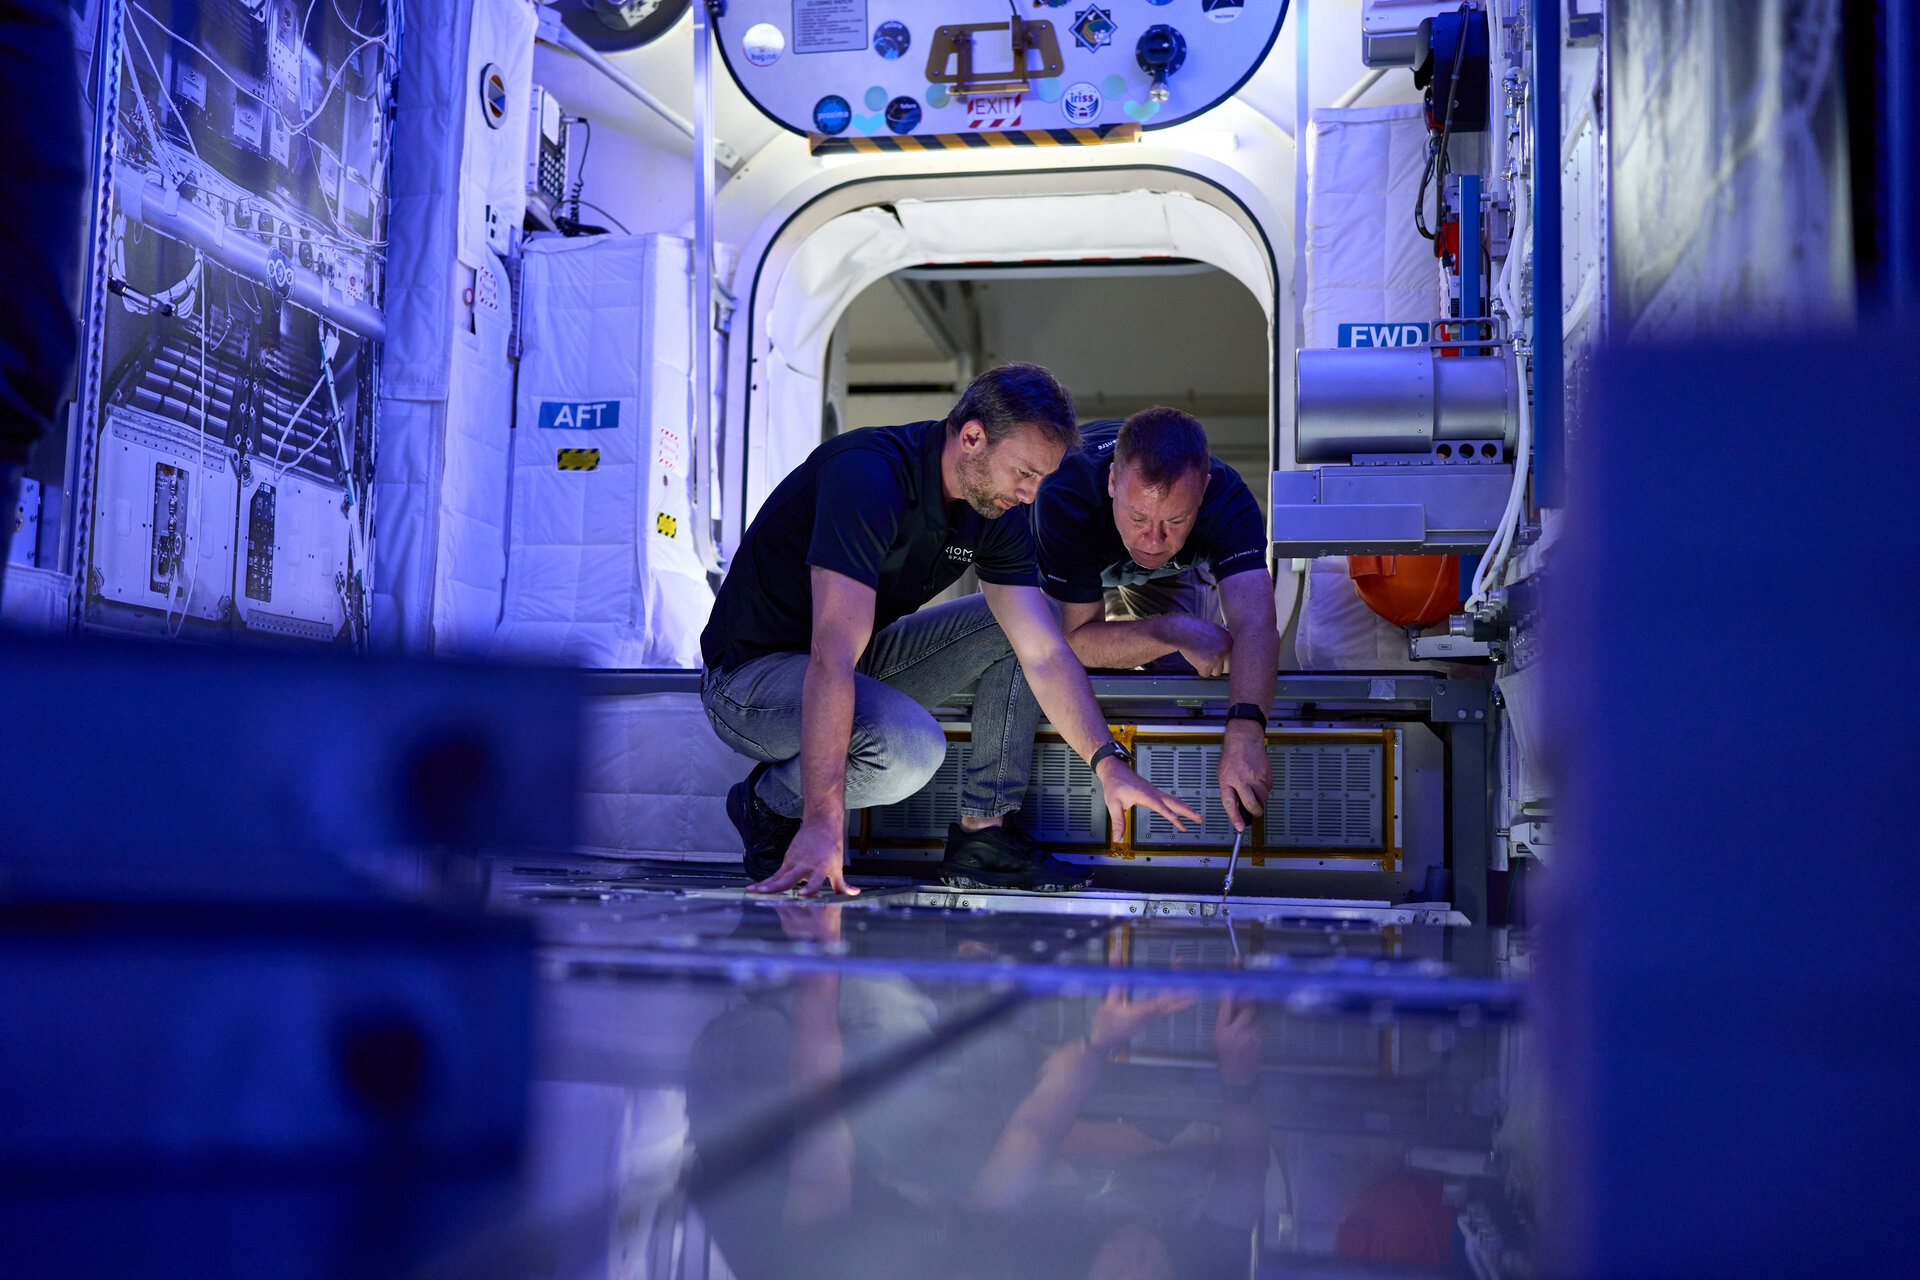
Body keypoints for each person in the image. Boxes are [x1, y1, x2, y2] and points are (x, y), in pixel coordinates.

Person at [699, 364, 1197, 896]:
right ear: (972, 437)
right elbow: (831, 656)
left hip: (851, 661)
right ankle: (769, 803)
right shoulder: (867, 478)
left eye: (1041, 480)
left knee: (1033, 620)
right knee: (909, 750)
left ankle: (983, 835)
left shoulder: (993, 514)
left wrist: (1107, 763)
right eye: (1024, 473)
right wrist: (822, 820)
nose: (1031, 496)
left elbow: (1045, 655)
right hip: (749, 679)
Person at [1028, 408, 1279, 832]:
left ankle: (1173, 806)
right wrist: (1173, 628)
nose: (1153, 539)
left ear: (1203, 492)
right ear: (1112, 482)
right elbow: (1072, 640)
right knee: (1042, 664)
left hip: (1171, 573)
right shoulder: (1065, 493)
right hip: (1060, 553)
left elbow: (1256, 625)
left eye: (1176, 520)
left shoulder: (1230, 500)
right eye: (1138, 517)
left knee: (1189, 672)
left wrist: (1246, 735)